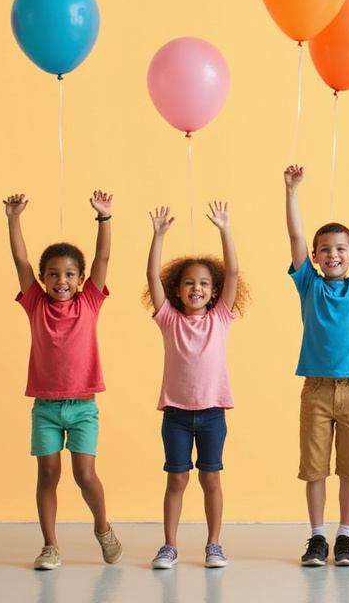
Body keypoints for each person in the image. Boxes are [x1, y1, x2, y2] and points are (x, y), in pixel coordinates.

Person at [5, 191, 122, 570]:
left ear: (81, 279)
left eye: (69, 274)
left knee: (85, 475)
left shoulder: (89, 301)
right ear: (42, 279)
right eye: (53, 274)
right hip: (46, 408)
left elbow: (103, 257)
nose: (61, 280)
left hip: (83, 407)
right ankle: (50, 546)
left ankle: (103, 528)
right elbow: (20, 259)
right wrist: (13, 219)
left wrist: (104, 219)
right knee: (48, 473)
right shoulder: (35, 303)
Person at [284, 163, 349, 567]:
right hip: (316, 389)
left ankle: (345, 535)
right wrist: (291, 192)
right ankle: (316, 537)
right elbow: (294, 234)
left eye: (341, 248)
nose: (333, 254)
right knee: (313, 468)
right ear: (314, 256)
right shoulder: (307, 282)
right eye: (324, 249)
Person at [144, 203, 249, 570]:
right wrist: (158, 236)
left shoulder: (220, 317)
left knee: (211, 478)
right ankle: (170, 545)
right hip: (175, 414)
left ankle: (214, 544)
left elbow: (233, 270)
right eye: (189, 282)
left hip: (211, 414)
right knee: (177, 480)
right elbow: (152, 279)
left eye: (204, 283)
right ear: (177, 289)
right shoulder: (169, 320)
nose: (196, 288)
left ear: (214, 290)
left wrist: (225, 228)